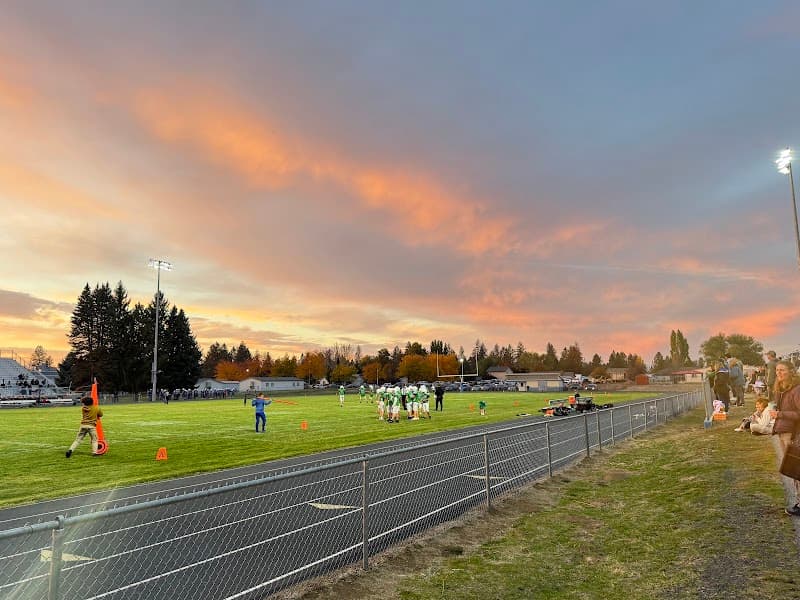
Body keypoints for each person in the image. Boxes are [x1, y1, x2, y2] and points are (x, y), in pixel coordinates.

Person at [769, 360, 800, 516]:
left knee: (796, 469)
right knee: (792, 468)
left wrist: (780, 414)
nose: (778, 373)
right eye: (777, 370)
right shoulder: (781, 389)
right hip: (783, 431)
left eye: (782, 370)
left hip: (793, 433)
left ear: (791, 372)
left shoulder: (796, 389)